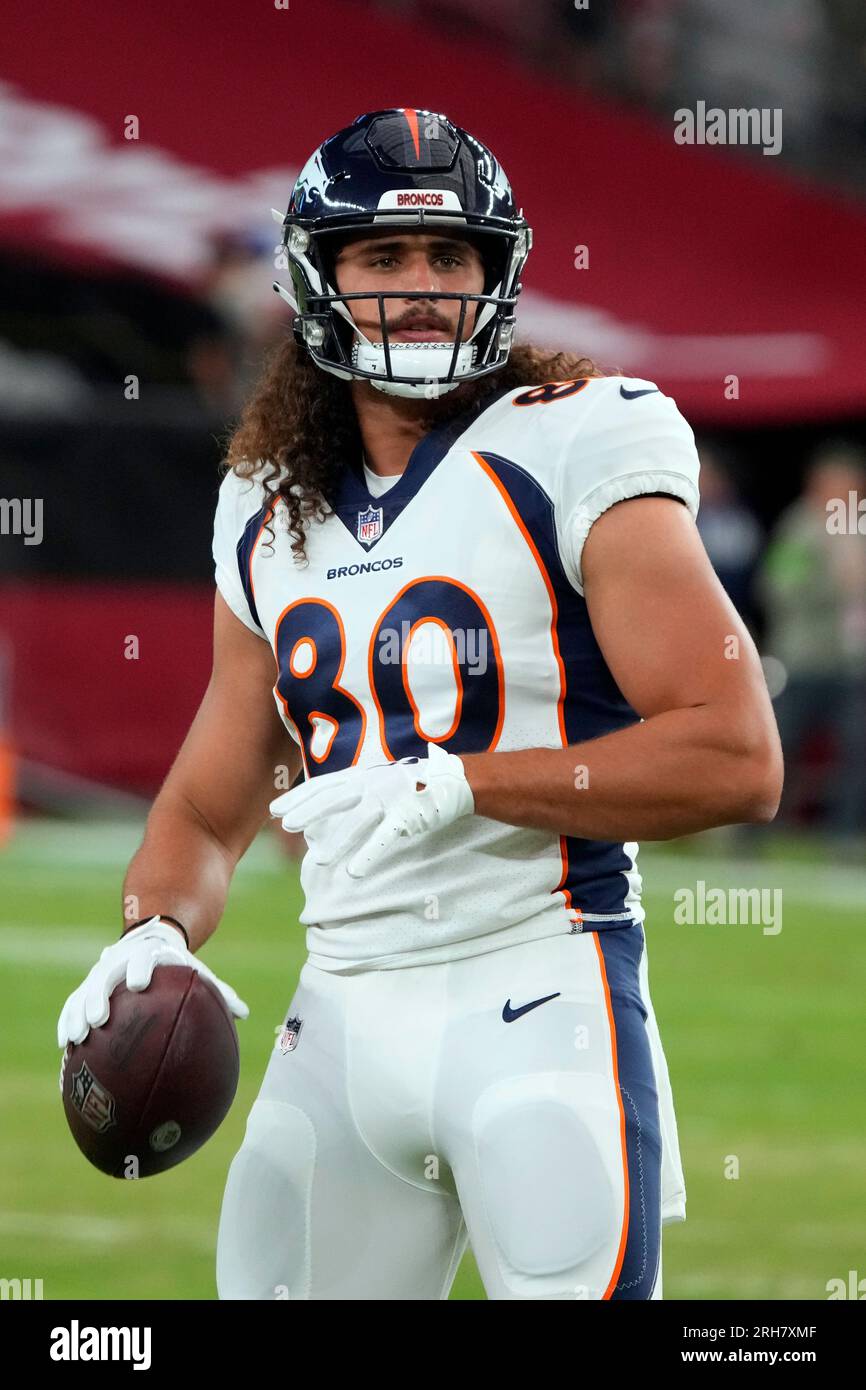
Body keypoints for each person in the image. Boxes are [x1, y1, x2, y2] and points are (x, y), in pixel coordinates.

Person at [56, 109, 783, 1301]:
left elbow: (737, 755)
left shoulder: (579, 441)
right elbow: (202, 804)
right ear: (313, 276)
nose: (425, 287)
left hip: (540, 984)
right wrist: (155, 927)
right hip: (338, 1015)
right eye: (383, 257)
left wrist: (464, 781)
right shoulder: (264, 502)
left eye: (451, 257)